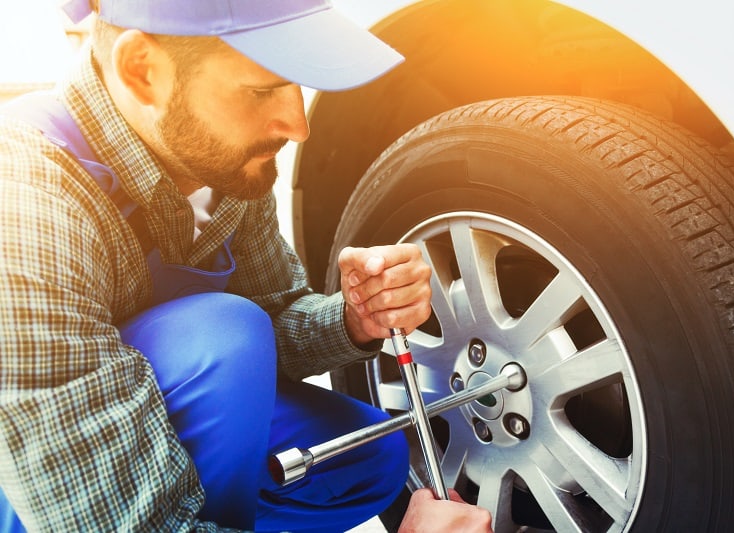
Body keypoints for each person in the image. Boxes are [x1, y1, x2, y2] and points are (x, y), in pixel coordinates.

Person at [0, 0, 493, 531]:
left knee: (369, 459)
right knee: (223, 337)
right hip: (39, 477)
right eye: (262, 90)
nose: (298, 125)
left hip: (137, 418)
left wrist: (354, 319)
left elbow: (272, 328)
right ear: (142, 70)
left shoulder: (220, 163)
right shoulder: (26, 202)